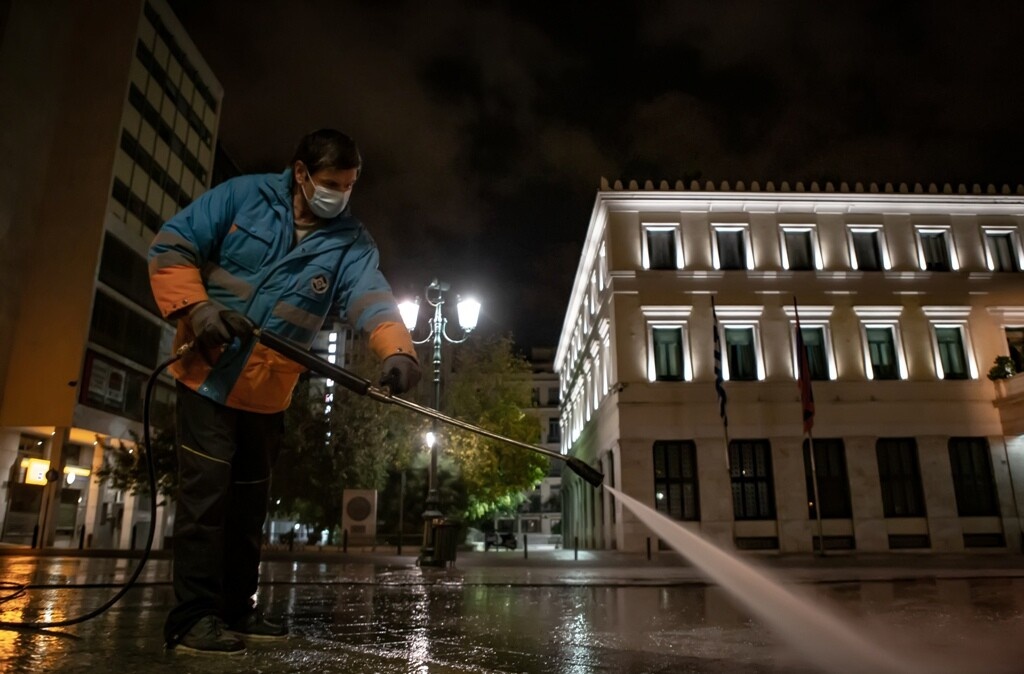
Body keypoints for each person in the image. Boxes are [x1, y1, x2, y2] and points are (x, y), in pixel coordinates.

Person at [148, 129, 421, 655]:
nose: (340, 194)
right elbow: (171, 245)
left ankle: (235, 610)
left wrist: (398, 352)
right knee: (205, 500)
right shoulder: (240, 198)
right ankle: (191, 620)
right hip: (207, 377)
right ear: (300, 174)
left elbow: (371, 296)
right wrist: (199, 309)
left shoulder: (351, 243)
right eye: (331, 183)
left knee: (249, 506)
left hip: (268, 392)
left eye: (349, 185)